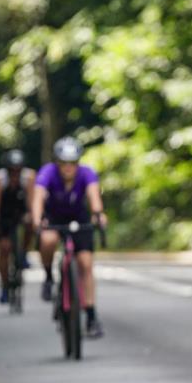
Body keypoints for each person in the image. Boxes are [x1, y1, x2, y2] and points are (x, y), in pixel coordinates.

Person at [31, 136, 108, 338]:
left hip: (78, 218)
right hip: (53, 217)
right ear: (57, 162)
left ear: (78, 162)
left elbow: (94, 198)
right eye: (64, 163)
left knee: (86, 263)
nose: (68, 167)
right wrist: (37, 219)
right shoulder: (47, 172)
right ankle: (48, 277)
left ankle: (91, 316)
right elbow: (38, 197)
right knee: (47, 240)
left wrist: (98, 215)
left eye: (72, 163)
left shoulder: (87, 173)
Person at [0, 149, 36, 304]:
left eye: (18, 170)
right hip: (4, 215)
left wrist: (32, 217)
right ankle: (4, 286)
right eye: (12, 170)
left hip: (21, 212)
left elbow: (32, 202)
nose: (15, 174)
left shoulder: (29, 177)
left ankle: (24, 253)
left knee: (31, 224)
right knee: (4, 249)